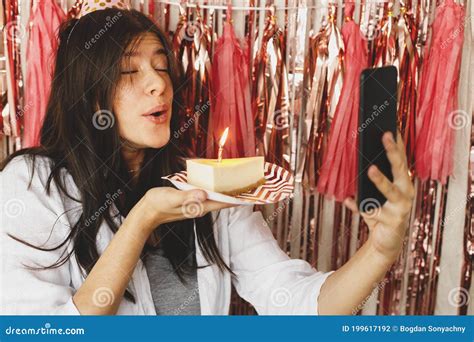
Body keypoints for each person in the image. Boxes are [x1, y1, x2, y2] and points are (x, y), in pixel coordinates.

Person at [0, 7, 414, 315]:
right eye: (129, 72)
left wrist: (378, 251)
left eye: (161, 67)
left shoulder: (205, 186)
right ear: (89, 95)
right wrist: (142, 219)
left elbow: (300, 306)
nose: (158, 84)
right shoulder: (31, 184)